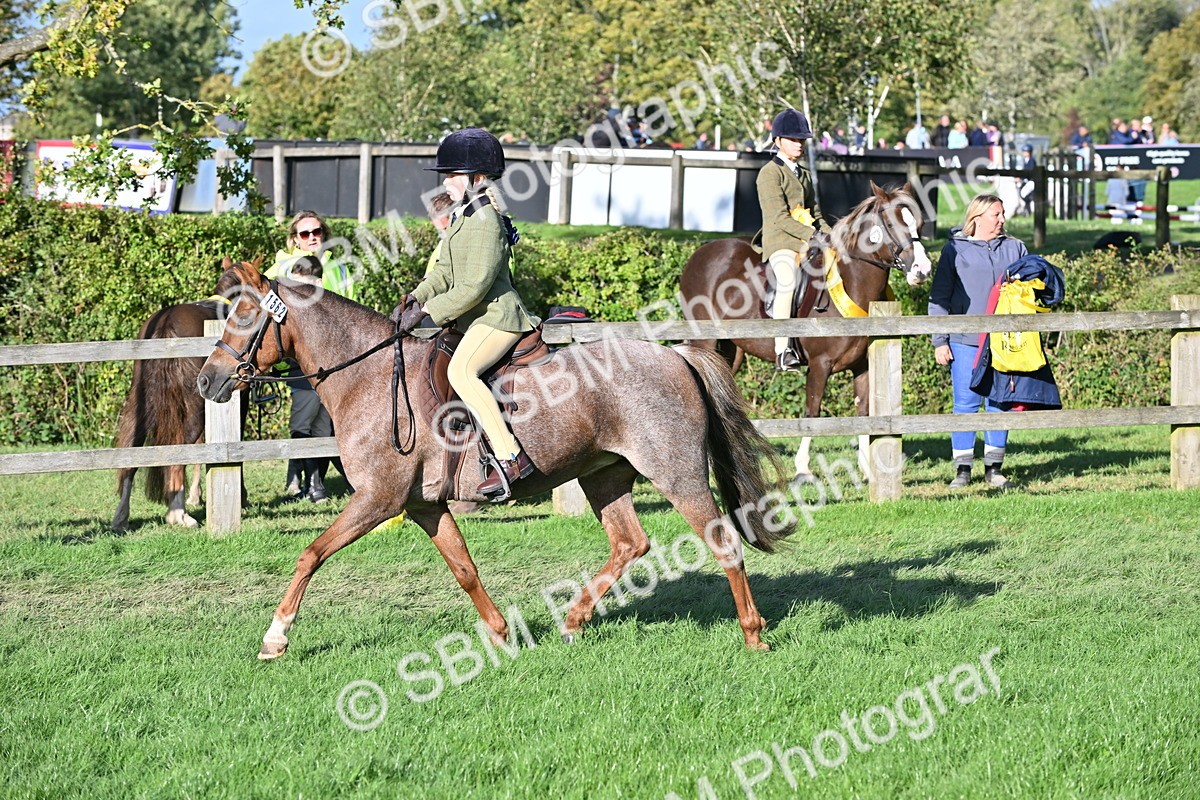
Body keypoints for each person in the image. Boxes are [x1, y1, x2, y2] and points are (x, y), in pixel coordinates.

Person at [393, 127, 539, 499]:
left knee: (461, 371)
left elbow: (475, 286)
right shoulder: (462, 216)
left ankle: (510, 456)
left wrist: (430, 313)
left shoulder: (487, 221)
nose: (447, 181)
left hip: (497, 317)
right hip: (473, 318)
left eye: (453, 174)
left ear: (476, 178)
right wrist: (416, 298)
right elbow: (443, 271)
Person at [928, 195, 1028, 488]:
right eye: (996, 214)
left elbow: (1028, 290)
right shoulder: (954, 250)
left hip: (1004, 341)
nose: (1002, 220)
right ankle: (962, 471)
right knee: (966, 404)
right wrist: (939, 341)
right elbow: (939, 298)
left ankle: (994, 469)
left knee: (999, 402)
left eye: (1002, 214)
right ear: (978, 217)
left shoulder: (1015, 247)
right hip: (964, 340)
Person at [265, 211, 356, 502]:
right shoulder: (280, 268)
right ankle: (303, 484)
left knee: (324, 423)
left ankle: (310, 485)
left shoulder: (339, 268)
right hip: (300, 361)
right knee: (305, 419)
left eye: (316, 231)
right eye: (304, 234)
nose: (312, 237)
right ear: (295, 238)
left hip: (335, 358)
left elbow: (351, 308)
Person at [752, 108, 831, 371]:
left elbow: (815, 213)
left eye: (801, 140)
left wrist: (832, 235)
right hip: (780, 242)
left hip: (807, 241)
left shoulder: (804, 174)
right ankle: (783, 351)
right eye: (793, 139)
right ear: (778, 141)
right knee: (787, 280)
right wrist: (812, 234)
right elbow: (778, 218)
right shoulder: (769, 173)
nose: (799, 144)